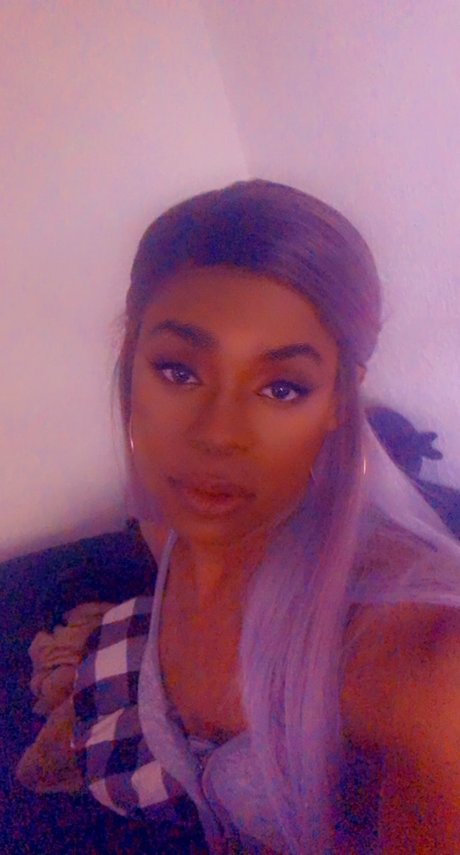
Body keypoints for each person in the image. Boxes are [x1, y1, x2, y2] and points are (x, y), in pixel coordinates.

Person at [6, 179, 460, 853]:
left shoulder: (422, 663)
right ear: (132, 362)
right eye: (179, 372)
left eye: (282, 387)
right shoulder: (169, 519)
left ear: (340, 400)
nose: (218, 436)